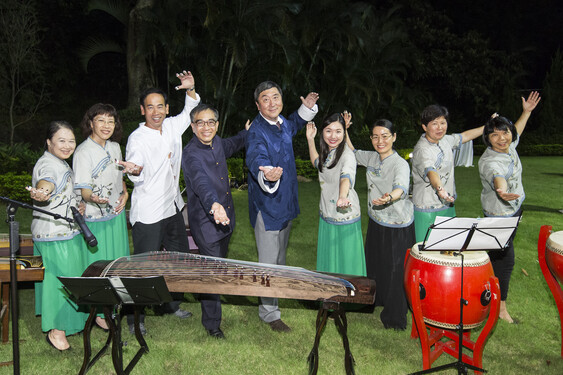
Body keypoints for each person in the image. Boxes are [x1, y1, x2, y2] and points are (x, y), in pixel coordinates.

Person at [123, 70, 200, 334]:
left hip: (173, 207)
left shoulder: (170, 126)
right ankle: (136, 318)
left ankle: (170, 304)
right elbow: (136, 167)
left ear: (167, 108)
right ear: (142, 110)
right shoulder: (137, 138)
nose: (156, 112)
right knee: (144, 267)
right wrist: (134, 170)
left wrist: (189, 89)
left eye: (160, 106)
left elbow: (190, 110)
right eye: (150, 107)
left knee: (178, 259)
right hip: (149, 213)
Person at [246, 81, 319, 332]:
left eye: (275, 97)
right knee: (268, 262)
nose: (272, 103)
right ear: (258, 105)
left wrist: (305, 108)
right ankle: (269, 313)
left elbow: (294, 124)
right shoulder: (257, 131)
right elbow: (256, 156)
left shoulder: (281, 123)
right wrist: (267, 173)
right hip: (267, 206)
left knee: (279, 257)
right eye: (265, 99)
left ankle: (278, 294)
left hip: (285, 203)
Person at [181, 104, 250, 339]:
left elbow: (235, 143)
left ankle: (213, 311)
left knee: (218, 266)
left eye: (211, 122)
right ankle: (212, 324)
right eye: (200, 123)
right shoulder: (190, 154)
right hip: (207, 222)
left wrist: (247, 132)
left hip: (226, 219)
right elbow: (201, 183)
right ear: (192, 126)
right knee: (212, 272)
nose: (206, 127)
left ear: (217, 125)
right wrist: (214, 205)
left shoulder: (218, 143)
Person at [345, 114, 414, 330]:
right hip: (377, 220)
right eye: (375, 137)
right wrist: (345, 129)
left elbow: (401, 188)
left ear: (394, 137)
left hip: (397, 224)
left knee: (395, 270)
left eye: (385, 136)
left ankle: (395, 316)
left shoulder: (400, 164)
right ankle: (377, 300)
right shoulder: (372, 158)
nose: (380, 141)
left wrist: (389, 197)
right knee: (376, 263)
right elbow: (352, 153)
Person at [478, 91, 540, 323]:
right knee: (506, 260)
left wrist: (525, 113)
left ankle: (487, 295)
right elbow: (498, 176)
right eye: (494, 135)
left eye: (504, 132)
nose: (502, 138)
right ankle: (500, 307)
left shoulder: (509, 143)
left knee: (495, 257)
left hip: (512, 210)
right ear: (488, 139)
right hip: (498, 216)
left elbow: (516, 132)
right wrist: (501, 190)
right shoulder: (491, 160)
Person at [27, 121, 89, 351]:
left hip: (66, 232)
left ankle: (67, 324)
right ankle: (56, 330)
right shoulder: (48, 164)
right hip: (54, 234)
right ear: (49, 142)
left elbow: (65, 193)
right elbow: (47, 181)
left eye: (71, 140)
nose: (67, 145)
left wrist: (78, 204)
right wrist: (42, 191)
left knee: (69, 278)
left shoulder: (61, 162)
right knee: (59, 281)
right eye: (61, 140)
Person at [73, 103, 129, 331]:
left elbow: (120, 177)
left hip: (116, 215)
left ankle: (114, 308)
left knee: (118, 263)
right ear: (90, 123)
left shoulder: (115, 147)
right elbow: (83, 190)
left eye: (111, 120)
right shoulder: (83, 151)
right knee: (99, 267)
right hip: (96, 219)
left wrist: (125, 194)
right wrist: (92, 198)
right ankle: (98, 312)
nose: (106, 125)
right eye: (101, 120)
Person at [411, 105, 485, 242]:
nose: (440, 127)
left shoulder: (445, 140)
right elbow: (430, 171)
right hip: (428, 208)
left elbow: (465, 136)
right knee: (427, 250)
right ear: (424, 127)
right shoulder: (422, 149)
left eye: (443, 123)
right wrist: (440, 188)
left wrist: (486, 127)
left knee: (447, 247)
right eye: (434, 124)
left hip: (447, 203)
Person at [305, 113, 366, 276]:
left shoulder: (347, 155)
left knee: (347, 264)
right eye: (328, 131)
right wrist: (310, 140)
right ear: (322, 132)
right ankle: (330, 297)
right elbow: (317, 163)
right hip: (327, 213)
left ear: (344, 132)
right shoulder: (329, 152)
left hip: (344, 217)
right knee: (330, 264)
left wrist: (343, 196)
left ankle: (350, 299)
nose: (333, 136)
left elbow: (346, 176)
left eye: (338, 131)